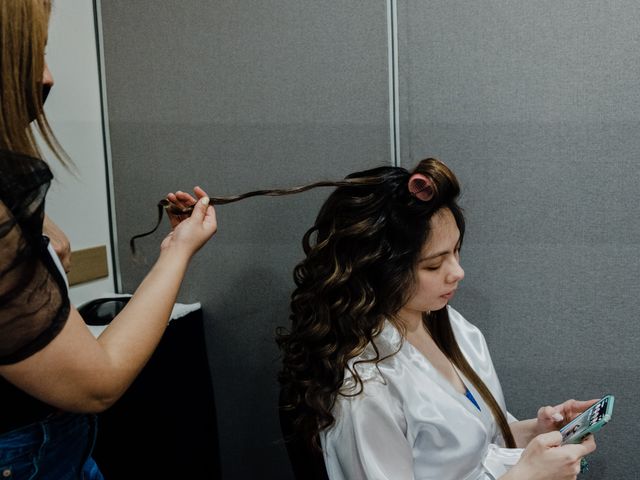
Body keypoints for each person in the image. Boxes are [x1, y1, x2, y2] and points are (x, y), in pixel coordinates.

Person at [0, 1, 217, 478]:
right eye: (35, 52)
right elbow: (96, 384)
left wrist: (34, 230)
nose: (48, 76)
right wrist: (177, 252)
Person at [277, 158, 598, 479]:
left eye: (456, 251)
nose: (458, 272)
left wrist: (535, 432)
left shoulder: (454, 327)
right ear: (379, 269)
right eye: (434, 265)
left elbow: (472, 448)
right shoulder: (365, 389)